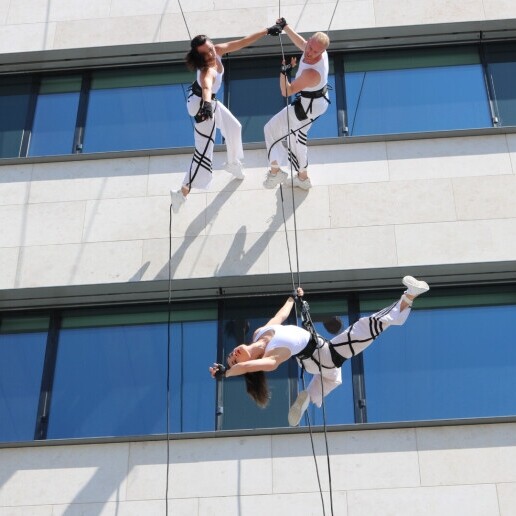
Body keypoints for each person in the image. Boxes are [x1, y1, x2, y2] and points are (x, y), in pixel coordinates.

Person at [210, 276, 430, 426]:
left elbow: (280, 316)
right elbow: (248, 366)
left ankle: (307, 397)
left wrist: (292, 298)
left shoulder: (259, 333)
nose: (233, 354)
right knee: (366, 328)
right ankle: (408, 297)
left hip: (322, 348)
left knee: (333, 375)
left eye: (230, 354)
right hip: (320, 358)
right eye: (233, 359)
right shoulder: (271, 357)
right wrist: (226, 373)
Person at [170, 24, 282, 213]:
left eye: (211, 48)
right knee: (204, 152)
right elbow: (206, 86)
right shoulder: (206, 70)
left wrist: (267, 31)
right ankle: (181, 193)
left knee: (234, 127)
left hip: (210, 102)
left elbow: (242, 42)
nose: (211, 54)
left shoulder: (218, 51)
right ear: (200, 57)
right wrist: (206, 105)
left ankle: (232, 163)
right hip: (201, 108)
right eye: (206, 53)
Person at [263, 18, 331, 191]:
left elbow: (286, 91)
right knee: (284, 133)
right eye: (309, 47)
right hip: (310, 101)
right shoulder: (311, 48)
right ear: (309, 42)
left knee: (288, 135)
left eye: (315, 52)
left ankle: (290, 174)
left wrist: (283, 72)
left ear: (321, 53)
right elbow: (301, 42)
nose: (309, 53)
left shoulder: (312, 73)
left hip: (309, 107)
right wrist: (285, 27)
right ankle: (290, 174)